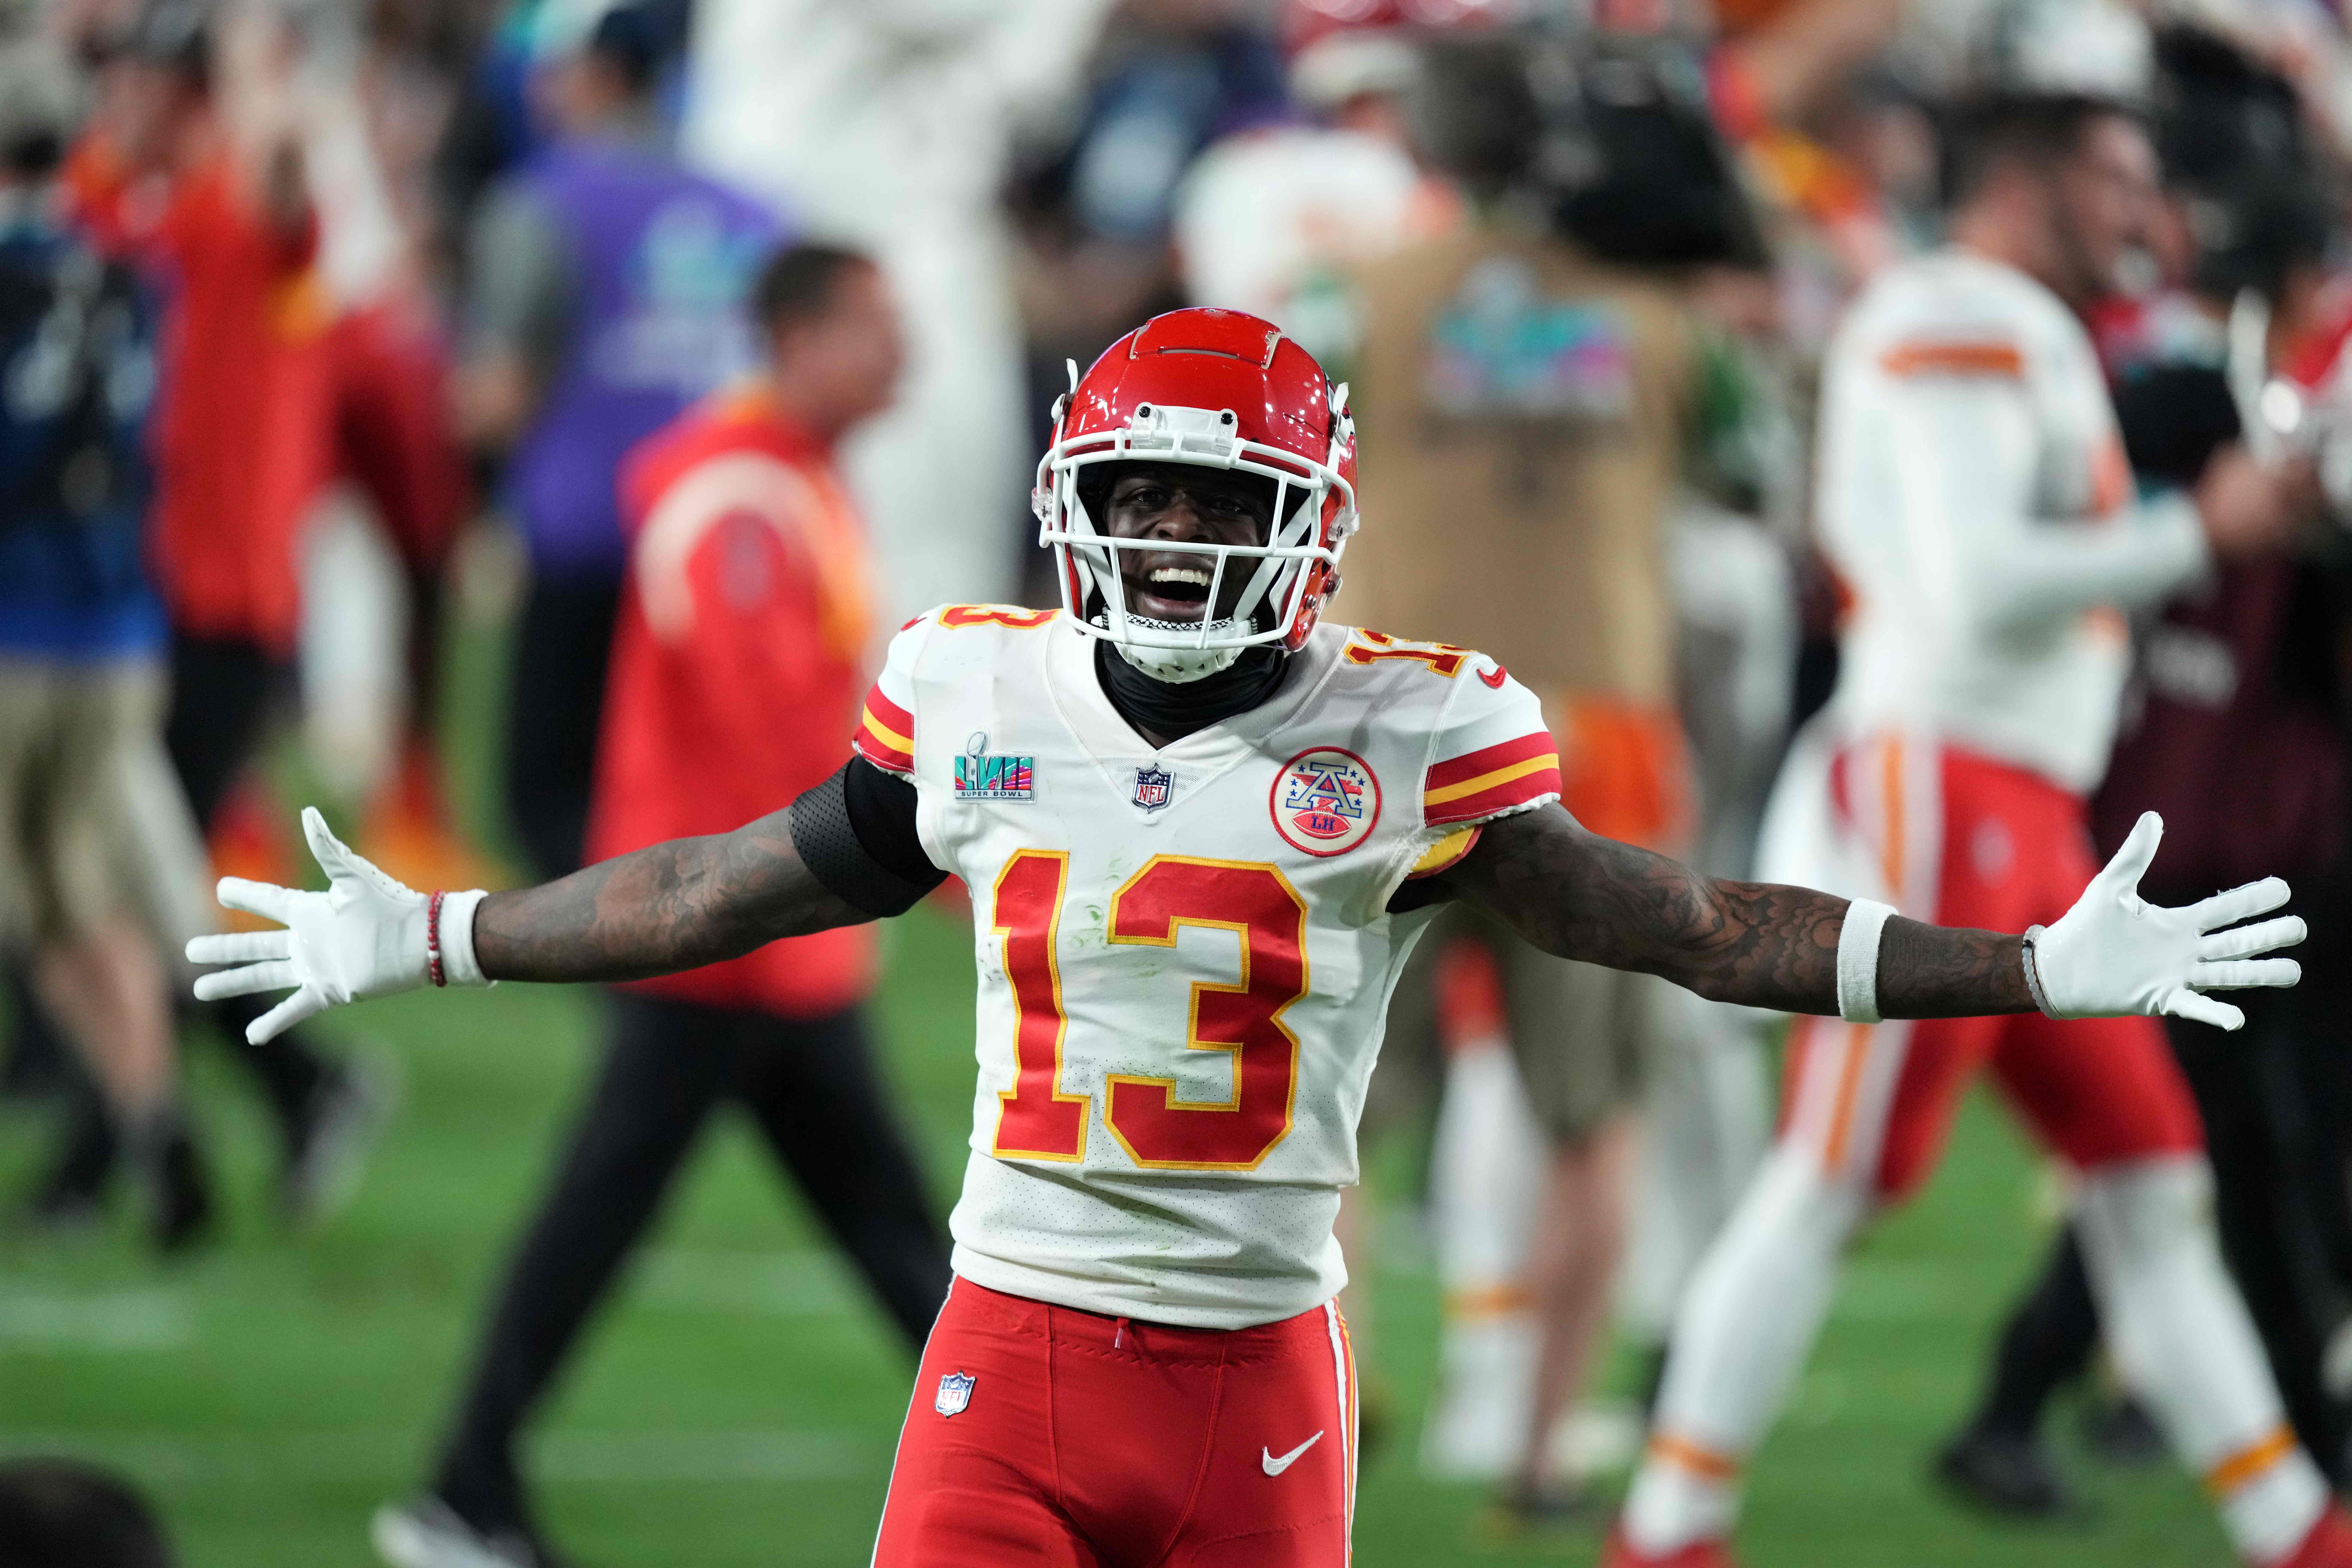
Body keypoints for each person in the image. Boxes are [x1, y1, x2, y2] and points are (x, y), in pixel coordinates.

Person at [188, 304, 2307, 1568]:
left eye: (1224, 500)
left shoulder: (1412, 732)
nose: (1180, 535)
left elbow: (1695, 926)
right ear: (1073, 496)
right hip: (1006, 1347)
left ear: (1309, 517)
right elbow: (723, 879)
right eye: (1150, 495)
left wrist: (2019, 968)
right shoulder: (972, 691)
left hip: (1262, 1377)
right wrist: (441, 933)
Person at [1610, 93, 2349, 1568]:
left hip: (2018, 804)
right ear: (2029, 181)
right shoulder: (1960, 313)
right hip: (1945, 787)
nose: (2149, 215)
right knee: (1832, 1175)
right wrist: (2200, 529)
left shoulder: (2015, 323)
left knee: (2151, 1180)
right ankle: (1667, 1531)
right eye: (2122, 177)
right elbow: (1970, 580)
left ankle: (2300, 1533)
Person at [372, 242, 952, 1568]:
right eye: (877, 326)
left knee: (885, 1245)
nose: (904, 351)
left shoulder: (779, 476)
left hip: (767, 954)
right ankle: (461, 1492)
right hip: (727, 948)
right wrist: (922, 850)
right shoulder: (741, 496)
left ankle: (466, 1491)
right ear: (797, 339)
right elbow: (767, 739)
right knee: (859, 1243)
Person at [62, 0, 376, 1221]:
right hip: (138, 600)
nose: (117, 105)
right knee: (125, 877)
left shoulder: (244, 214)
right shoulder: (128, 207)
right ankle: (288, 1093)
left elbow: (287, 185)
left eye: (140, 84)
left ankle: (123, 1147)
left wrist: (250, 62)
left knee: (130, 878)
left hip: (227, 604)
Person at [455, 1, 777, 881]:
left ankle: (597, 948)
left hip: (579, 529)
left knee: (551, 787)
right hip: (716, 535)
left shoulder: (542, 202)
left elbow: (499, 391)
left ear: (599, 76)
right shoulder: (754, 212)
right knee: (675, 774)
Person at [0, 21, 204, 1248]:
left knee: (40, 910)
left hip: (15, 627)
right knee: (87, 892)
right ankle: (157, 1120)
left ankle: (144, 1118)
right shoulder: (124, 275)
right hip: (115, 623)